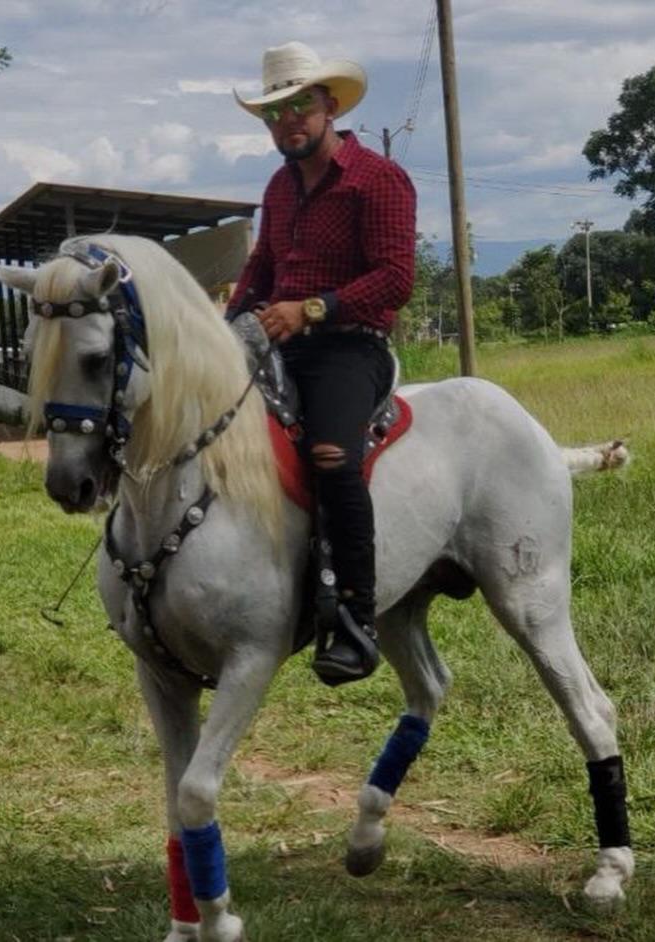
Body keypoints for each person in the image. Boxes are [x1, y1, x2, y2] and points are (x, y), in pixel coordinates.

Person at [228, 41, 417, 685]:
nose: (287, 123)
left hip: (349, 345)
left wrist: (310, 310)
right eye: (274, 113)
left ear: (329, 106)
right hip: (280, 341)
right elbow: (261, 270)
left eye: (298, 107)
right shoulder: (279, 188)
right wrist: (230, 324)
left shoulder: (378, 178)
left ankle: (356, 620)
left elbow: (395, 278)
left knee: (332, 453)